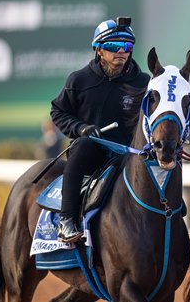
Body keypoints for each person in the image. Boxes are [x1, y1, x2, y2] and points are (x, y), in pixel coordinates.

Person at [50, 17, 150, 243]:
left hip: (128, 153)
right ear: (98, 50)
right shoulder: (79, 79)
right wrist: (81, 128)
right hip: (90, 151)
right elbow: (58, 111)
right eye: (114, 46)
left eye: (127, 46)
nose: (121, 52)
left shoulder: (144, 82)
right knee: (84, 144)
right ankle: (67, 220)